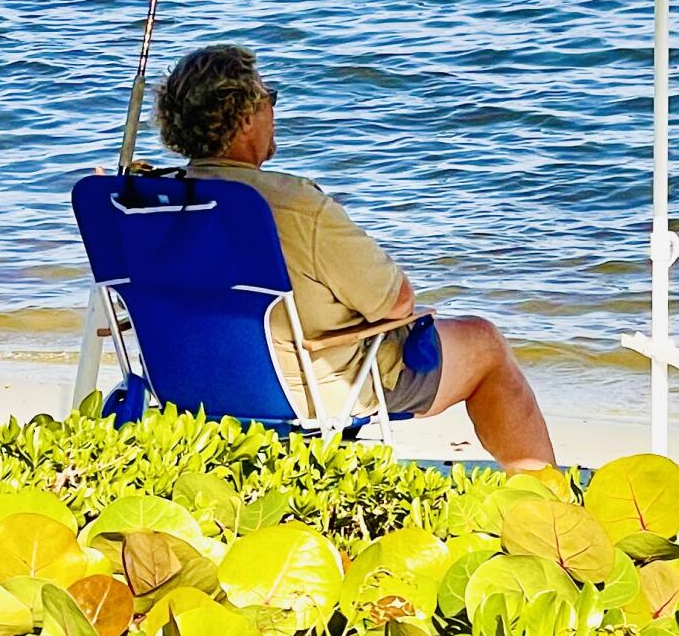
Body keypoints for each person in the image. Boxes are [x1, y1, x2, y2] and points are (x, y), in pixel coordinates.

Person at [154, 44, 557, 470]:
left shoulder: (149, 205)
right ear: (245, 117)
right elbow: (396, 302)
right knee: (485, 342)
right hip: (307, 386)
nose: (274, 110)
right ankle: (544, 499)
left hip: (193, 383)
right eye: (268, 97)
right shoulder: (294, 207)